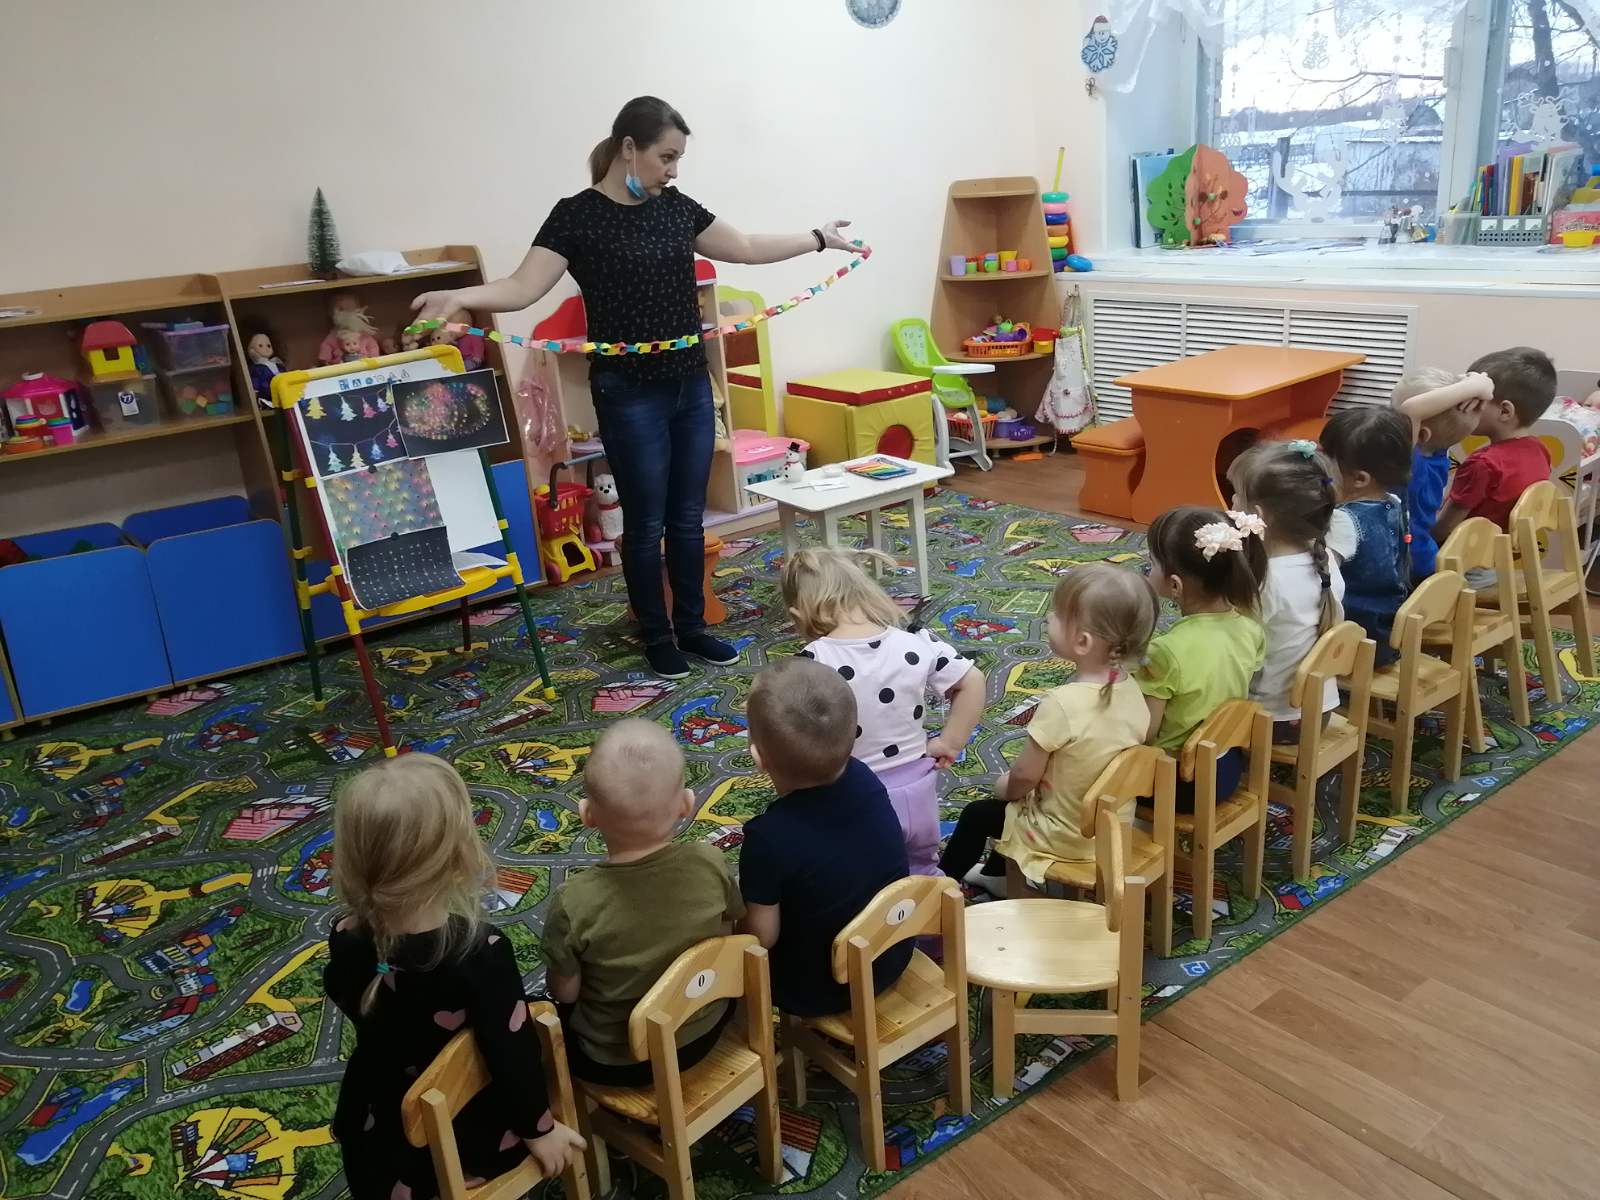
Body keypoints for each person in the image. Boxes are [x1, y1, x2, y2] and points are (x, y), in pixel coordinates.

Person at [413, 96, 865, 680]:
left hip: (689, 384)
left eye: (678, 159)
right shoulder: (577, 216)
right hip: (628, 392)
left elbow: (747, 248)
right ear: (629, 148)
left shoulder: (675, 208)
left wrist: (817, 237)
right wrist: (460, 296)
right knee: (646, 522)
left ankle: (693, 627)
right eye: (666, 157)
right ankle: (656, 635)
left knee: (687, 517)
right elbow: (523, 287)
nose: (673, 170)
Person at [324, 754, 584, 1200]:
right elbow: (512, 1054)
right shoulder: (481, 953)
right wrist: (539, 1131)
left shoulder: (345, 938)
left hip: (380, 1137)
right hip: (464, 1138)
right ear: (461, 857)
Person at [541, 720, 745, 1085]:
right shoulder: (710, 862)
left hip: (618, 1060)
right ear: (686, 804)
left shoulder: (573, 903)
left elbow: (565, 992)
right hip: (705, 1027)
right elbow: (726, 937)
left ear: (586, 815)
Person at [938, 562, 1158, 893]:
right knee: (1012, 808)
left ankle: (937, 891)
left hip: (1065, 835)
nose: (1047, 617)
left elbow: (1025, 777)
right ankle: (996, 874)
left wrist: (1005, 787)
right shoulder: (1132, 690)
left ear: (1082, 642)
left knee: (979, 813)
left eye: (1057, 614)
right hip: (1112, 827)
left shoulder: (1062, 704)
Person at [781, 546, 986, 877]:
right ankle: (937, 905)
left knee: (866, 876)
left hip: (857, 795)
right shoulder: (915, 640)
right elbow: (972, 681)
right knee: (924, 868)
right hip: (919, 788)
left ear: (797, 614)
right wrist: (950, 742)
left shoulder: (813, 661)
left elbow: (793, 736)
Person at [738, 657, 911, 1016]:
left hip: (821, 989)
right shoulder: (865, 778)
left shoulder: (767, 838)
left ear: (758, 757)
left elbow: (761, 938)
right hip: (892, 952)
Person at [1138, 507, 1267, 810]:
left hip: (1178, 782)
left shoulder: (1165, 651)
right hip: (1227, 767)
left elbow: (1145, 733)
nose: (1147, 569)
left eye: (1152, 563)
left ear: (1175, 586)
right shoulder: (1250, 628)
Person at [1227, 439, 1346, 743]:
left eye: (1237, 495)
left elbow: (1234, 655)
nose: (1232, 501)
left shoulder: (1268, 582)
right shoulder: (1326, 559)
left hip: (1272, 719)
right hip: (1320, 709)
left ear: (1258, 515)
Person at [1433, 348, 1557, 567]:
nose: (1462, 407)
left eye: (1474, 400)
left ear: (1505, 411)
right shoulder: (1540, 449)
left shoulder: (1483, 464)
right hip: (1504, 561)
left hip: (1469, 563)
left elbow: (1444, 529)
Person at [1319, 406, 1413, 666]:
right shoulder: (1393, 502)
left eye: (1326, 465)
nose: (1320, 472)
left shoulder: (1343, 520)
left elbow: (1326, 583)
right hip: (1388, 632)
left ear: (1360, 479)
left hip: (1357, 643)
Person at [1390, 368, 1495, 581]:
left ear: (1421, 434)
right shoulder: (1439, 453)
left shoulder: (1411, 464)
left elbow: (1410, 410)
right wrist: (1479, 385)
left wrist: (1475, 386)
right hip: (1424, 553)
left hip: (1405, 563)